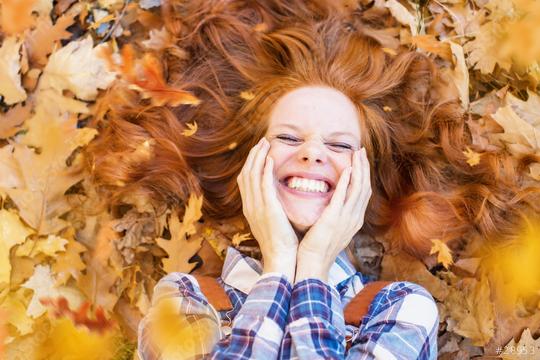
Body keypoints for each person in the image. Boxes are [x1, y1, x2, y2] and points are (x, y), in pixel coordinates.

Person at [85, 0, 539, 358]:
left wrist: (313, 265)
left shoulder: (401, 309)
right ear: (250, 165)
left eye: (340, 145)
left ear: (365, 178)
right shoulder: (183, 297)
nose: (311, 153)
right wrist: (280, 263)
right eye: (287, 137)